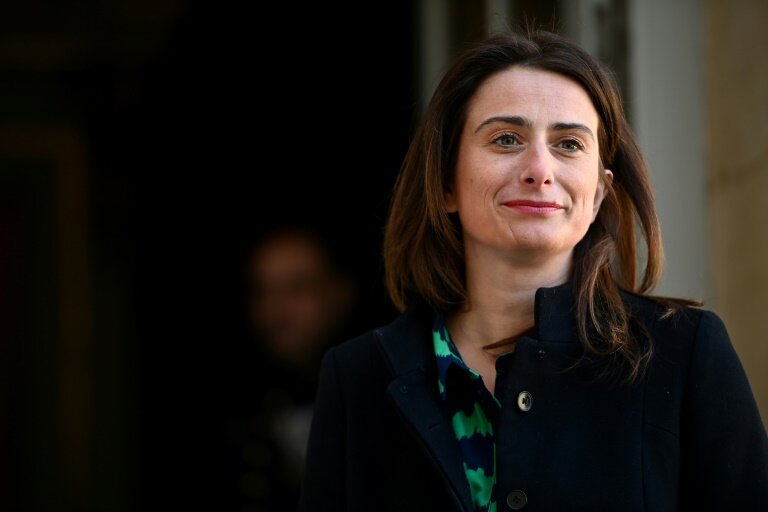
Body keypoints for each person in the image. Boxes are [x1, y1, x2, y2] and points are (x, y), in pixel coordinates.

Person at [298, 28, 768, 511]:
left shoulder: (685, 354)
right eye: (506, 139)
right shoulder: (357, 377)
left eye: (568, 145)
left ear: (599, 195)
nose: (540, 169)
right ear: (445, 184)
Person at [221, 223, 361, 511]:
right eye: (262, 291)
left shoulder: (381, 391)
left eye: (297, 289)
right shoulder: (237, 403)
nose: (276, 310)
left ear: (340, 293)